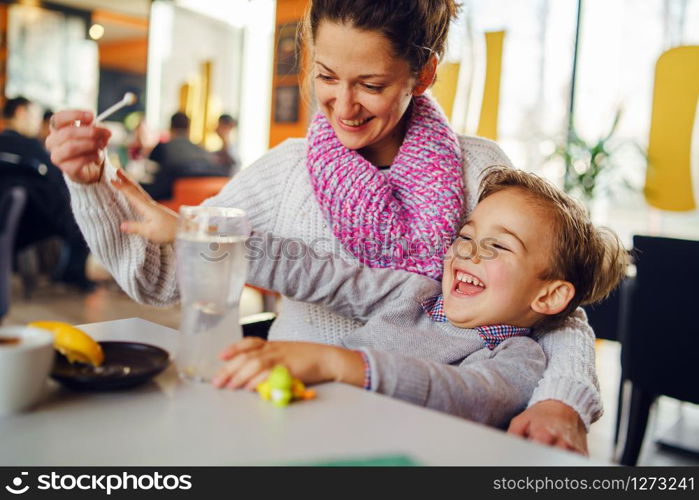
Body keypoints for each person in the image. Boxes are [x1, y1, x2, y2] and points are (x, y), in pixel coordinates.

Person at [47, 0, 597, 454]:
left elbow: (552, 309)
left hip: (437, 432)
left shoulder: (480, 169)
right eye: (326, 77)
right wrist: (93, 185)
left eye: (371, 84)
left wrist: (562, 399)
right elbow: (158, 282)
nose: (344, 106)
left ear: (422, 73)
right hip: (293, 419)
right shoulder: (285, 171)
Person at [202, 167, 628, 427]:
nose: (467, 252)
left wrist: (337, 362)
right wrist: (211, 237)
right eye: (466, 236)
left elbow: (463, 395)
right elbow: (316, 271)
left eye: (498, 247)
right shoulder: (414, 293)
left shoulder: (519, 358)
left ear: (550, 296)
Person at [0, 97, 92, 288]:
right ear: (20, 113)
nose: (37, 122)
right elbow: (59, 183)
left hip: (9, 222)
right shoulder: (32, 148)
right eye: (34, 116)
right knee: (81, 218)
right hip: (30, 222)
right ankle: (71, 273)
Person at [142, 112, 229, 201]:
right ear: (188, 129)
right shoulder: (201, 149)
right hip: (201, 201)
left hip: (168, 201)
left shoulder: (162, 148)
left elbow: (148, 174)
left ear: (171, 127)